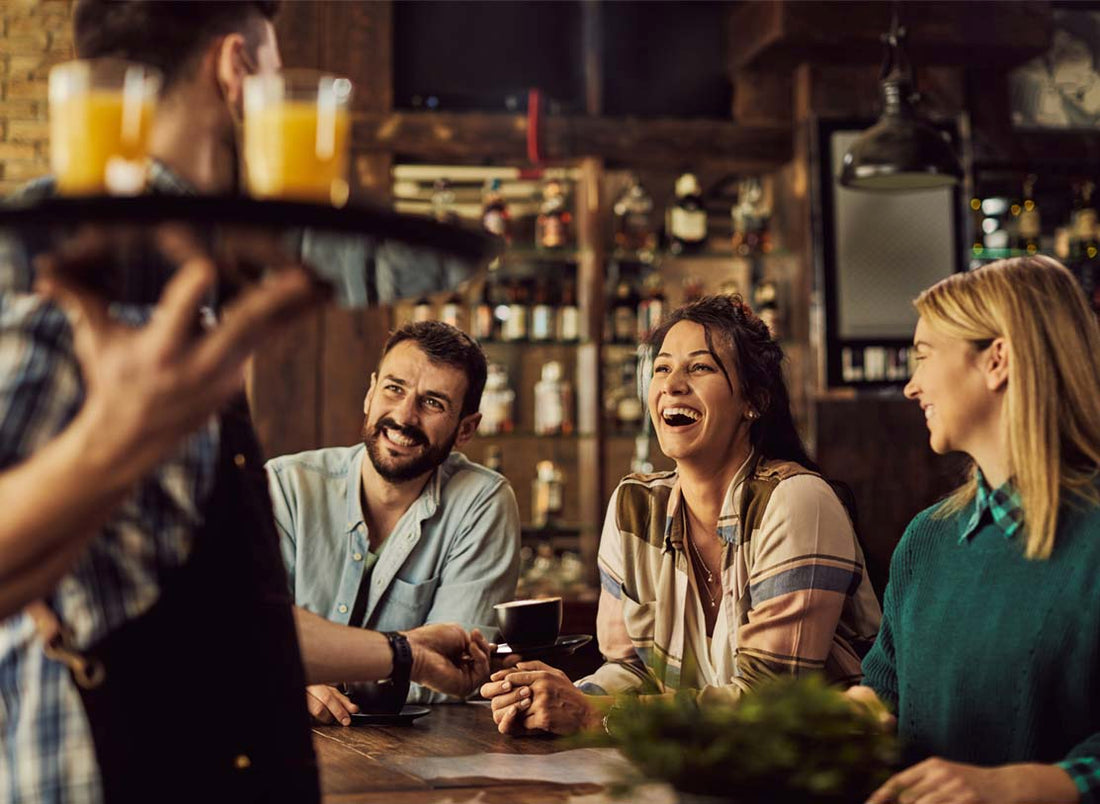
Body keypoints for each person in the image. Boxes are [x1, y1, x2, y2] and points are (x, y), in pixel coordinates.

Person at [0, 3, 489, 803]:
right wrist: (115, 437)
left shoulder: (186, 277)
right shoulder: (73, 265)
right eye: (274, 74)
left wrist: (404, 653)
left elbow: (215, 615)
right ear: (236, 71)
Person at [481, 295, 882, 735]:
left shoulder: (797, 501)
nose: (672, 385)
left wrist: (590, 714)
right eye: (662, 368)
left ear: (754, 400)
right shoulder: (635, 506)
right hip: (693, 760)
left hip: (816, 762)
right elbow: (631, 670)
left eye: (700, 367)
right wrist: (547, 698)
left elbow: (768, 704)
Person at [849, 256, 1100, 804]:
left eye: (923, 355)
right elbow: (886, 692)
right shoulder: (926, 540)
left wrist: (1013, 785)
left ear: (996, 361)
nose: (911, 386)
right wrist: (807, 725)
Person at [268, 320, 520, 716]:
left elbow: (456, 674)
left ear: (466, 429)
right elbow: (239, 635)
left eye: (433, 403)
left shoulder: (482, 502)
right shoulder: (285, 487)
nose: (404, 416)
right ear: (370, 393)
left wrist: (303, 672)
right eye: (394, 389)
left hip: (420, 747)